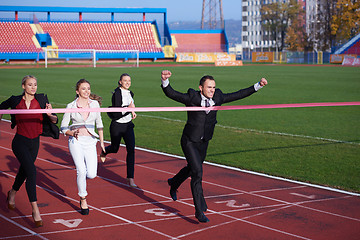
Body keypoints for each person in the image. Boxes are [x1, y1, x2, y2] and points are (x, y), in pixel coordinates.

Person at [160, 70, 268, 223]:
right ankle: (198, 211)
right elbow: (172, 94)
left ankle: (174, 182)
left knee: (192, 169)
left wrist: (258, 85)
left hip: (204, 142)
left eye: (213, 87)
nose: (212, 90)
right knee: (197, 172)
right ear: (201, 88)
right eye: (209, 87)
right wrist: (165, 81)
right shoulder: (192, 97)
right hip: (189, 140)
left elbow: (238, 94)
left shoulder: (218, 97)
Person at [1, 75, 58, 227]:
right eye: (30, 84)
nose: (33, 87)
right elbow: (2, 107)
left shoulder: (41, 100)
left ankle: (12, 192)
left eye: (35, 85)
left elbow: (54, 119)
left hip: (35, 142)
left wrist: (49, 114)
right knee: (32, 172)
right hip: (19, 141)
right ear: (23, 86)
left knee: (25, 171)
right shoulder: (15, 100)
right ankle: (35, 210)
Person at [61, 79, 105, 215]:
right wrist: (71, 132)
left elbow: (99, 124)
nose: (87, 91)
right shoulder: (71, 106)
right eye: (83, 89)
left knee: (91, 174)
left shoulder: (95, 104)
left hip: (91, 141)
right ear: (77, 91)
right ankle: (83, 198)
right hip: (76, 141)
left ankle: (82, 182)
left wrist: (102, 143)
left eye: (88, 88)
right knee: (81, 170)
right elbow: (63, 127)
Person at [100, 73, 137, 187]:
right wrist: (128, 109)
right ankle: (105, 151)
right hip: (117, 125)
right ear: (120, 82)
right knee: (115, 148)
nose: (127, 83)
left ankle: (130, 178)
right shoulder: (117, 93)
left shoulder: (130, 93)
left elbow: (131, 105)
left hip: (128, 125)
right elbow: (116, 113)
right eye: (125, 80)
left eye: (129, 81)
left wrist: (132, 111)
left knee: (131, 150)